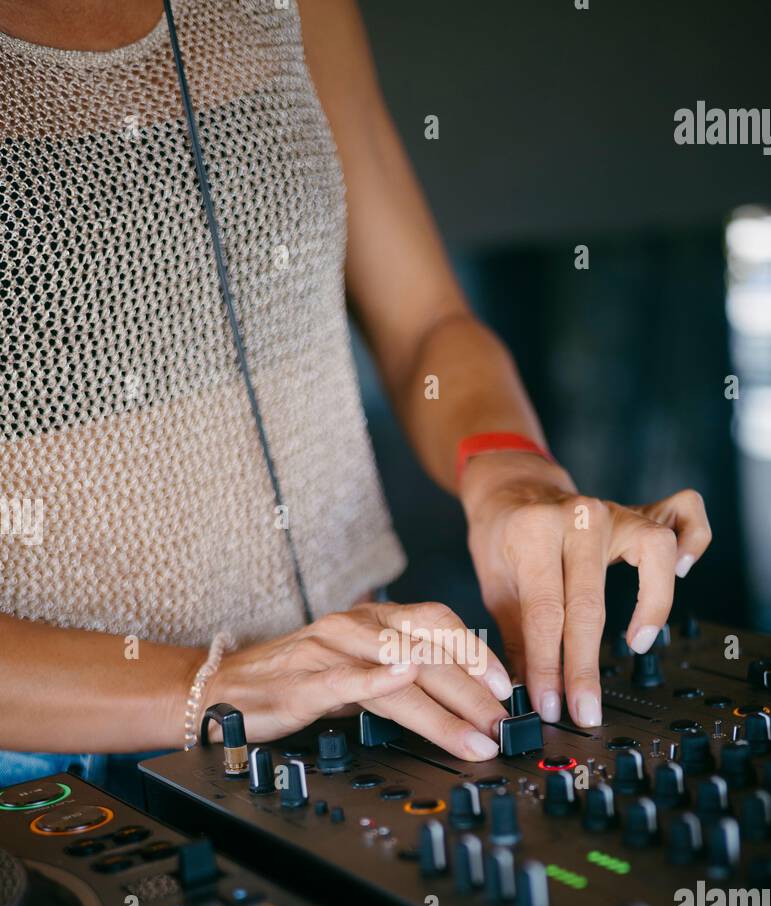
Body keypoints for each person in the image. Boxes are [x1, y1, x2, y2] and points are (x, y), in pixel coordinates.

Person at [0, 0, 711, 802]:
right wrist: (211, 688)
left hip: (348, 706)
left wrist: (512, 478)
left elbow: (425, 326)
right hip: (44, 774)